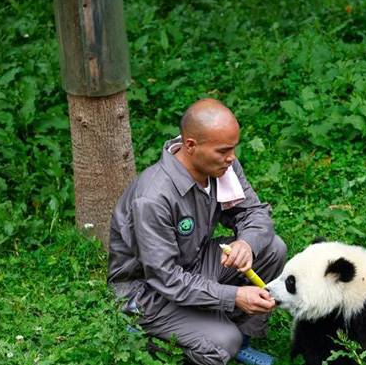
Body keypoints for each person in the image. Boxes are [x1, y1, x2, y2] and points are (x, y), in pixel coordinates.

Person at [108, 98, 287, 365]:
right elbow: (165, 278)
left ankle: (235, 335)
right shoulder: (153, 197)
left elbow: (254, 213)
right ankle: (147, 338)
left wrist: (246, 244)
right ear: (191, 146)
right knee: (223, 341)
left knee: (273, 249)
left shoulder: (220, 166)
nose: (232, 157)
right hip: (149, 291)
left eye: (233, 148)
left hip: (194, 262)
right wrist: (234, 296)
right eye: (224, 150)